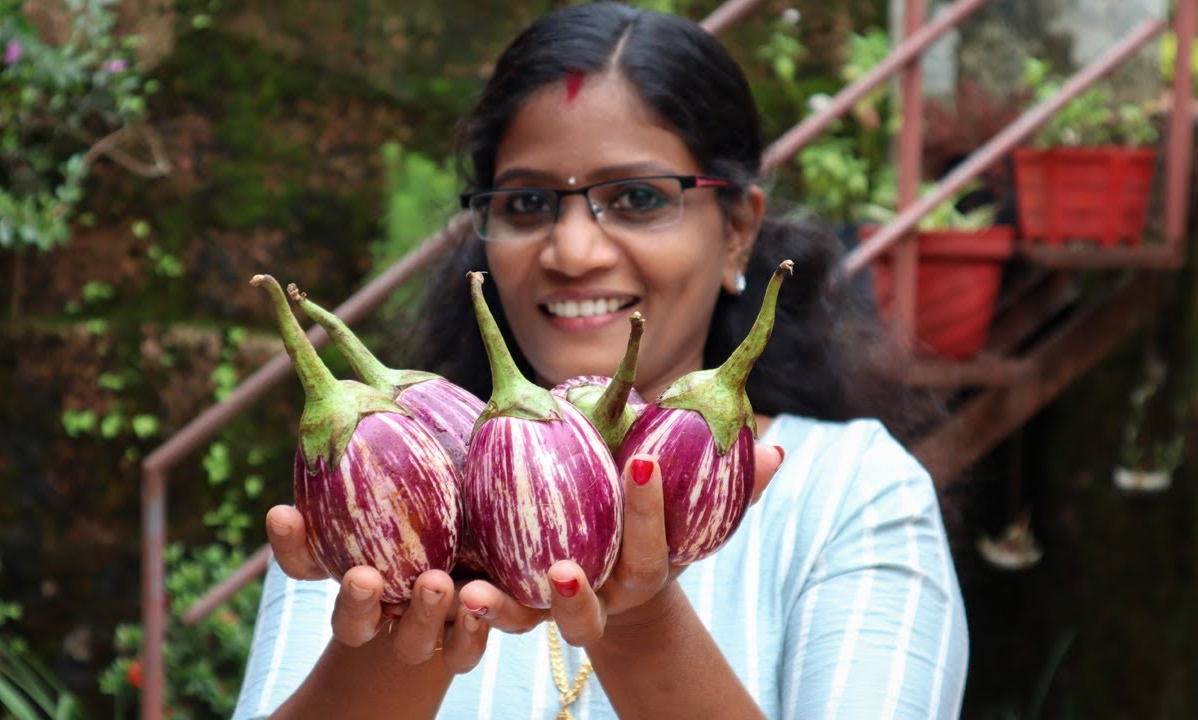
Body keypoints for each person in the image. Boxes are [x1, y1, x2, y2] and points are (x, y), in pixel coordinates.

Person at [232, 3, 969, 718]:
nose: (573, 252)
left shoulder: (851, 492)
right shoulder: (380, 479)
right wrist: (403, 613)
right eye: (527, 203)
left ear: (739, 232)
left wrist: (641, 615)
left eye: (638, 197)